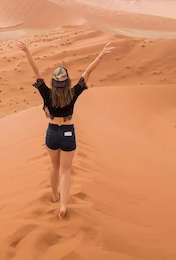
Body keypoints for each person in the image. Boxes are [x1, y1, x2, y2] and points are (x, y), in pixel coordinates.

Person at [13, 40, 115, 219]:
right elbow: (88, 72)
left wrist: (27, 51)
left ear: (54, 81)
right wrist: (101, 54)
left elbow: (36, 72)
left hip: (52, 132)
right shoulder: (73, 92)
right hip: (68, 133)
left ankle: (54, 195)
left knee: (54, 165)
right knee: (66, 169)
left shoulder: (46, 92)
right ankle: (63, 205)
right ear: (67, 82)